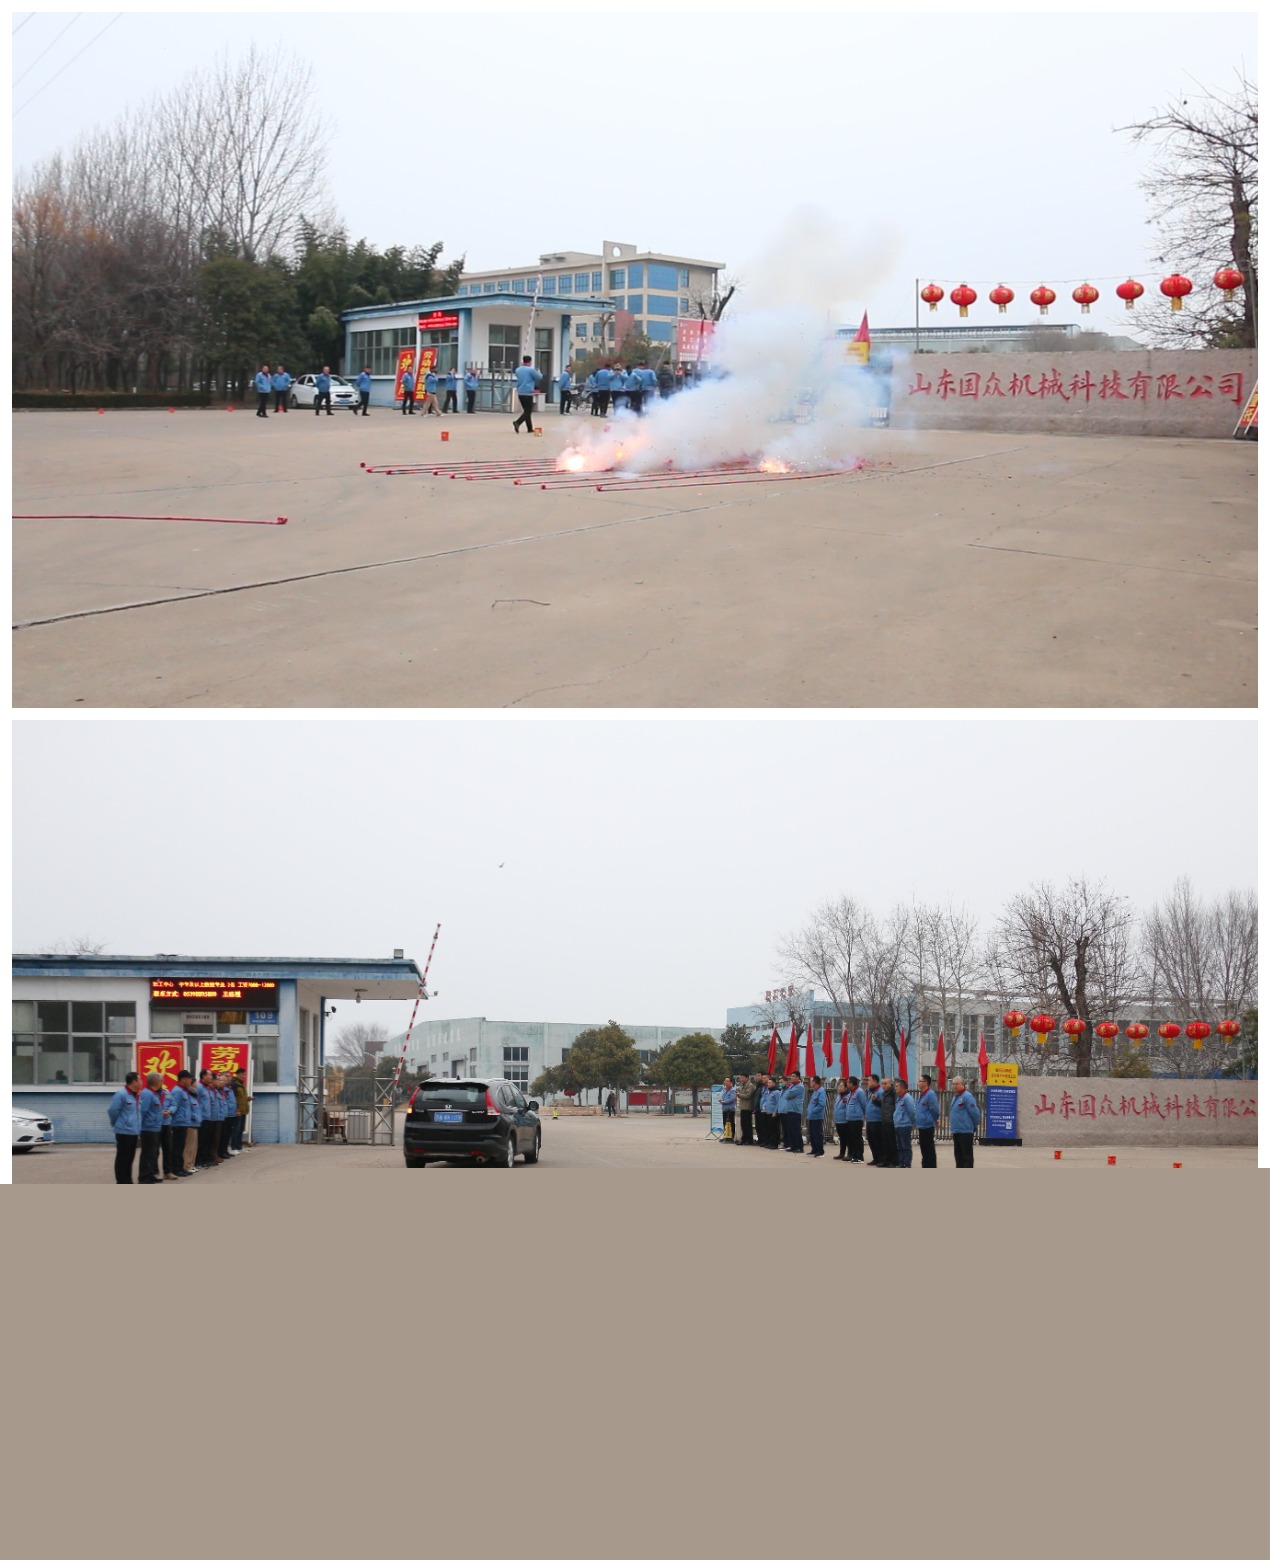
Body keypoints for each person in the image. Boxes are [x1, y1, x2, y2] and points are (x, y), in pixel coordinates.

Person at [108, 1072, 143, 1183]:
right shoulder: (121, 1094)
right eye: (140, 1079)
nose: (141, 1082)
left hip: (133, 1131)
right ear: (134, 1081)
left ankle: (128, 1180)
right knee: (122, 1158)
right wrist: (117, 1123)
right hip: (124, 1132)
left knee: (130, 1158)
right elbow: (112, 1110)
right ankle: (121, 1181)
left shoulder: (136, 1095)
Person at [166, 1071, 196, 1178]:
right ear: (183, 1079)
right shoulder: (177, 1091)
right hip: (178, 1123)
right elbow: (174, 1106)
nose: (190, 1080)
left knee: (181, 1146)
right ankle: (175, 1169)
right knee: (177, 1147)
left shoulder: (184, 1090)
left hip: (184, 1122)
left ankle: (180, 1167)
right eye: (189, 1078)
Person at [949, 1077, 980, 1168]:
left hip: (965, 1131)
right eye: (953, 1084)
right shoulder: (955, 1097)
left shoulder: (967, 1097)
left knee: (967, 1157)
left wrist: (973, 1126)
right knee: (958, 1157)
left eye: (956, 1084)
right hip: (956, 1131)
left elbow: (974, 1113)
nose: (954, 1086)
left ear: (963, 1085)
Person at [511, 354, 543, 433]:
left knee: (526, 411)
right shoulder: (531, 370)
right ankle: (517, 422)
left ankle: (529, 428)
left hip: (520, 392)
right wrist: (539, 372)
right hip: (528, 392)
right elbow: (539, 377)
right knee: (528, 411)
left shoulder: (518, 370)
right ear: (530, 361)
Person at [195, 1070, 218, 1168]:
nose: (211, 1077)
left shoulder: (206, 1088)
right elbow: (195, 1102)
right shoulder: (199, 1087)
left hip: (208, 1117)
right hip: (202, 1118)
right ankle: (199, 1161)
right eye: (209, 1075)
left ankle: (206, 1159)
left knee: (207, 1141)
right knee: (201, 1141)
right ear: (204, 1076)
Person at [916, 1075, 940, 1169]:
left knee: (929, 1150)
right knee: (924, 1150)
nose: (918, 1083)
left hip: (927, 1126)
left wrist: (934, 1119)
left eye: (920, 1081)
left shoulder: (930, 1094)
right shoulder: (922, 1094)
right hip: (921, 1125)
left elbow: (934, 1109)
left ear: (925, 1083)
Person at [893, 1079, 918, 1168]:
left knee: (906, 1146)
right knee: (899, 1146)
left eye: (897, 1086)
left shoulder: (907, 1098)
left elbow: (912, 1111)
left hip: (905, 1125)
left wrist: (914, 1122)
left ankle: (907, 1163)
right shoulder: (899, 1098)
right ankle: (901, 1163)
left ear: (902, 1087)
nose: (895, 1088)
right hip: (898, 1125)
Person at [780, 1073, 805, 1152]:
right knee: (790, 1129)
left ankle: (799, 1147)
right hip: (790, 1109)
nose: (791, 1078)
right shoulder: (792, 1086)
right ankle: (793, 1146)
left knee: (796, 1130)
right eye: (791, 1076)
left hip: (795, 1110)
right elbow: (786, 1095)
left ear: (798, 1077)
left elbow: (788, 1095)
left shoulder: (799, 1087)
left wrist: (788, 1092)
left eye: (793, 1076)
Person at [876, 1078, 898, 1168]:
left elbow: (897, 1107)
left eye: (885, 1084)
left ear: (890, 1084)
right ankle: (886, 1161)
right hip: (884, 1121)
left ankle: (894, 1162)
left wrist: (894, 1118)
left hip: (891, 1122)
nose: (883, 1086)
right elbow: (882, 1105)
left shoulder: (894, 1094)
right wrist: (875, 1101)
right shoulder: (883, 1094)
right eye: (882, 1084)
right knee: (885, 1142)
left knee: (892, 1143)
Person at [805, 1075, 827, 1156]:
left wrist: (813, 1111)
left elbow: (821, 1104)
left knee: (817, 1134)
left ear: (815, 1082)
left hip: (817, 1116)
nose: (810, 1083)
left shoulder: (821, 1091)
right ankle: (814, 1149)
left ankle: (820, 1151)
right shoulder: (815, 1091)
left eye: (811, 1081)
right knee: (812, 1134)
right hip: (812, 1116)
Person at [216, 1074, 235, 1162]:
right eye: (223, 1079)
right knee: (223, 1135)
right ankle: (221, 1151)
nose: (228, 1079)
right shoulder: (222, 1090)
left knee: (227, 1134)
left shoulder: (229, 1089)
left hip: (230, 1114)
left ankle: (224, 1150)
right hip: (224, 1116)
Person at [232, 1070, 251, 1152]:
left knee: (241, 1129)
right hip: (238, 1111)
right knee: (236, 1129)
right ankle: (234, 1147)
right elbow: (233, 1098)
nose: (244, 1076)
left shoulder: (242, 1084)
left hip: (243, 1110)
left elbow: (241, 1098)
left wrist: (248, 1098)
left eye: (245, 1075)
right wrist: (236, 1109)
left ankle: (239, 1146)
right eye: (243, 1075)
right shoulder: (234, 1084)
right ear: (239, 1074)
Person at [759, 1077, 781, 1148]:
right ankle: (770, 1142)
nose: (768, 1084)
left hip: (773, 1113)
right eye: (768, 1083)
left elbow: (778, 1102)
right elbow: (767, 1100)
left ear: (774, 1083)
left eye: (770, 1082)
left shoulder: (776, 1092)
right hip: (768, 1112)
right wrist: (764, 1105)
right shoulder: (769, 1091)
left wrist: (775, 1111)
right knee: (769, 1128)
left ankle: (774, 1143)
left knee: (774, 1128)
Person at [735, 1073, 756, 1144]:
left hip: (748, 1108)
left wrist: (739, 1095)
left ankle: (749, 1140)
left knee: (747, 1125)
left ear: (747, 1078)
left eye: (743, 1078)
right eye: (740, 1078)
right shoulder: (743, 1086)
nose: (741, 1079)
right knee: (743, 1125)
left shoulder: (750, 1086)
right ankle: (744, 1139)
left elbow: (748, 1095)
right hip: (743, 1107)